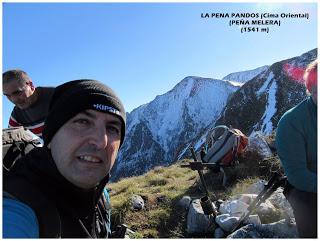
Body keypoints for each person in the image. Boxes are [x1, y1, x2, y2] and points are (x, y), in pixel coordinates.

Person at [3, 79, 126, 238]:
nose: (101, 141)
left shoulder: (100, 193)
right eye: (83, 121)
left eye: (112, 128)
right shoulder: (17, 212)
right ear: (51, 136)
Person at [276, 60, 317, 238]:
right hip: (306, 186)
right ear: (312, 90)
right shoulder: (292, 122)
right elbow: (298, 174)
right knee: (306, 204)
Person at [2, 69, 55, 137]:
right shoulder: (17, 115)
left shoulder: (59, 97)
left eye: (17, 92)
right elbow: (10, 137)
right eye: (7, 95)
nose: (14, 100)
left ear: (31, 85)